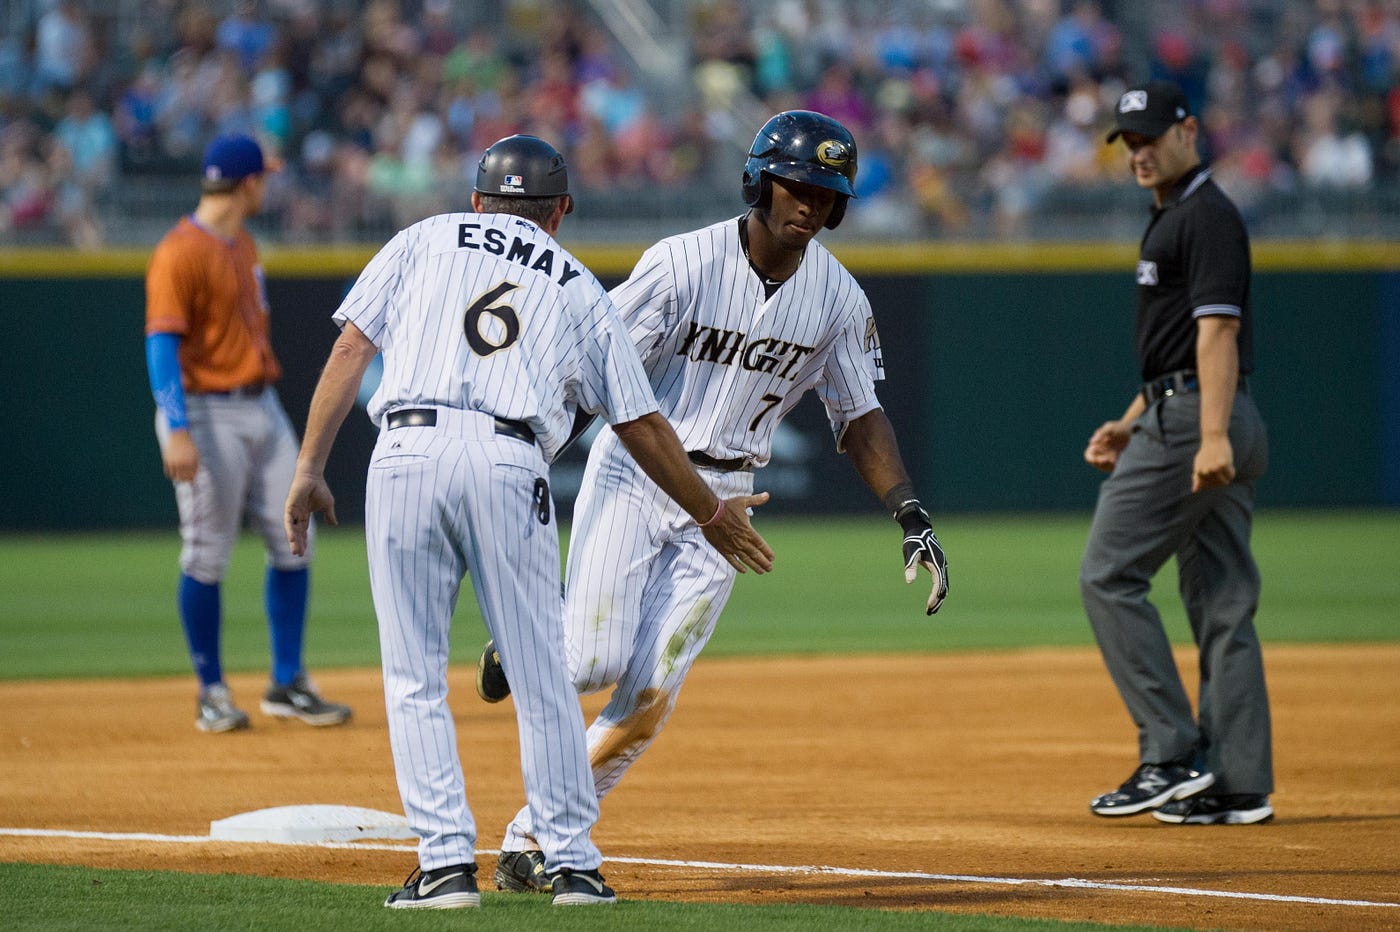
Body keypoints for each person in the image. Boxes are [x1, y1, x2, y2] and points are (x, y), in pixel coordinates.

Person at [282, 134, 774, 910]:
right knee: (544, 672)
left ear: (479, 199)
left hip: (404, 449)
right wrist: (709, 510)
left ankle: (444, 867)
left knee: (413, 674)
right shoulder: (576, 282)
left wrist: (309, 466)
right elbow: (641, 422)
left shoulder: (423, 237)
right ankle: (572, 864)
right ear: (562, 211)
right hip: (510, 456)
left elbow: (350, 348)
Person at [477, 110, 949, 893]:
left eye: (825, 195)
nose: (807, 205)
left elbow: (860, 416)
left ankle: (532, 836)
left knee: (650, 698)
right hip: (640, 472)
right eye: (794, 185)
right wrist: (529, 448)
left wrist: (910, 512)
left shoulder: (837, 299)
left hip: (731, 499)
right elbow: (594, 370)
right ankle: (522, 645)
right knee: (591, 659)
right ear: (760, 182)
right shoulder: (681, 262)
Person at [1081, 80, 1273, 825]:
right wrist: (1133, 419)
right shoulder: (1179, 215)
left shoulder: (1204, 216)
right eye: (1128, 141)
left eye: (1150, 136)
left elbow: (1217, 333)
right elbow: (1177, 354)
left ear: (1188, 131)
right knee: (1223, 600)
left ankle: (1169, 752)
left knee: (1107, 574)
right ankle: (1236, 781)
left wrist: (1213, 431)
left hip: (1200, 418)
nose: (1138, 151)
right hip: (1191, 408)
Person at [145, 133, 351, 735]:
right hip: (205, 413)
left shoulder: (241, 241)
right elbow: (161, 345)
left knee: (296, 536)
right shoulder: (179, 252)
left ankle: (287, 682)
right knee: (206, 553)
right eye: (264, 176)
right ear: (246, 184)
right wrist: (176, 430)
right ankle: (211, 690)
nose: (269, 183)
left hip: (261, 405)